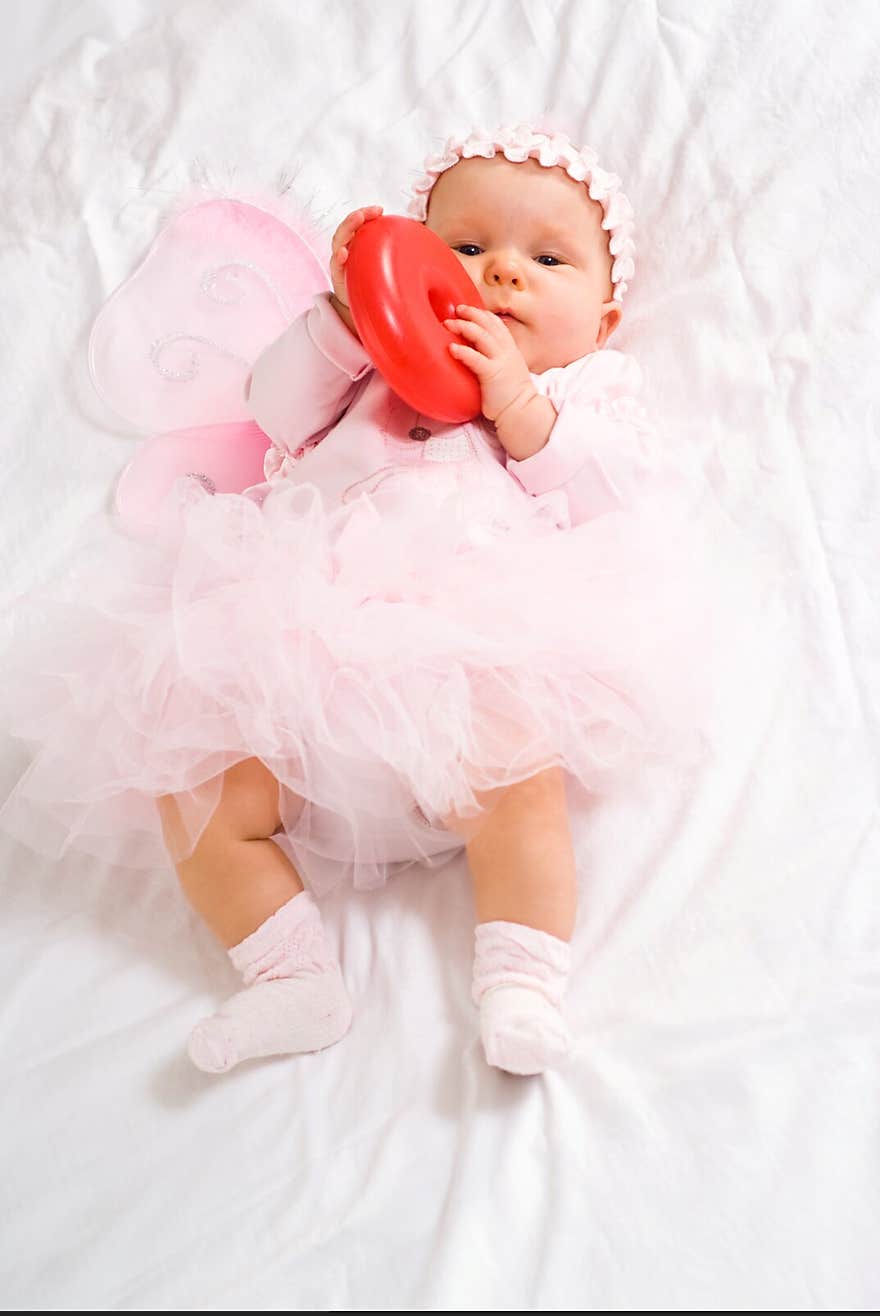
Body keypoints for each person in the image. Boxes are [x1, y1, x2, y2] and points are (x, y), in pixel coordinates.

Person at [0, 122, 734, 1077]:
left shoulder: (583, 393)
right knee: (193, 786)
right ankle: (289, 978)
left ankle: (521, 982)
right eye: (466, 248)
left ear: (601, 322)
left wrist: (518, 401)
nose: (502, 274)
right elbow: (275, 407)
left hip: (470, 671)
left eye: (547, 258)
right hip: (305, 671)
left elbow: (607, 496)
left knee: (524, 789)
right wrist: (347, 316)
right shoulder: (369, 372)